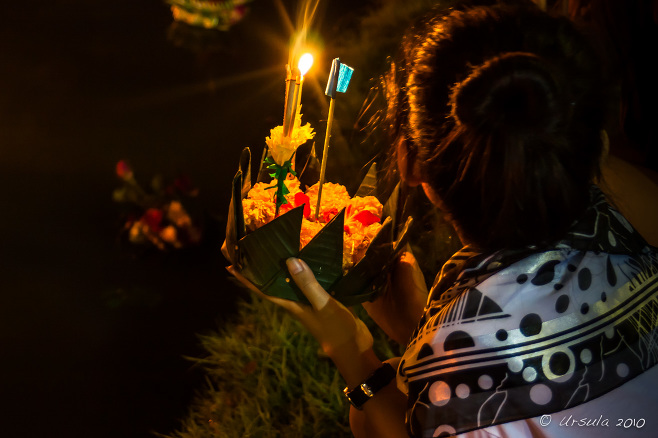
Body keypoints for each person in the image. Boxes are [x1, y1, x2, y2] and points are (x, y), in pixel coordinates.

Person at [228, 1, 658, 436]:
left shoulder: (454, 370)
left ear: (410, 162)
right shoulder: (638, 205)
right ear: (598, 145)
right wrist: (422, 326)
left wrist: (352, 349)